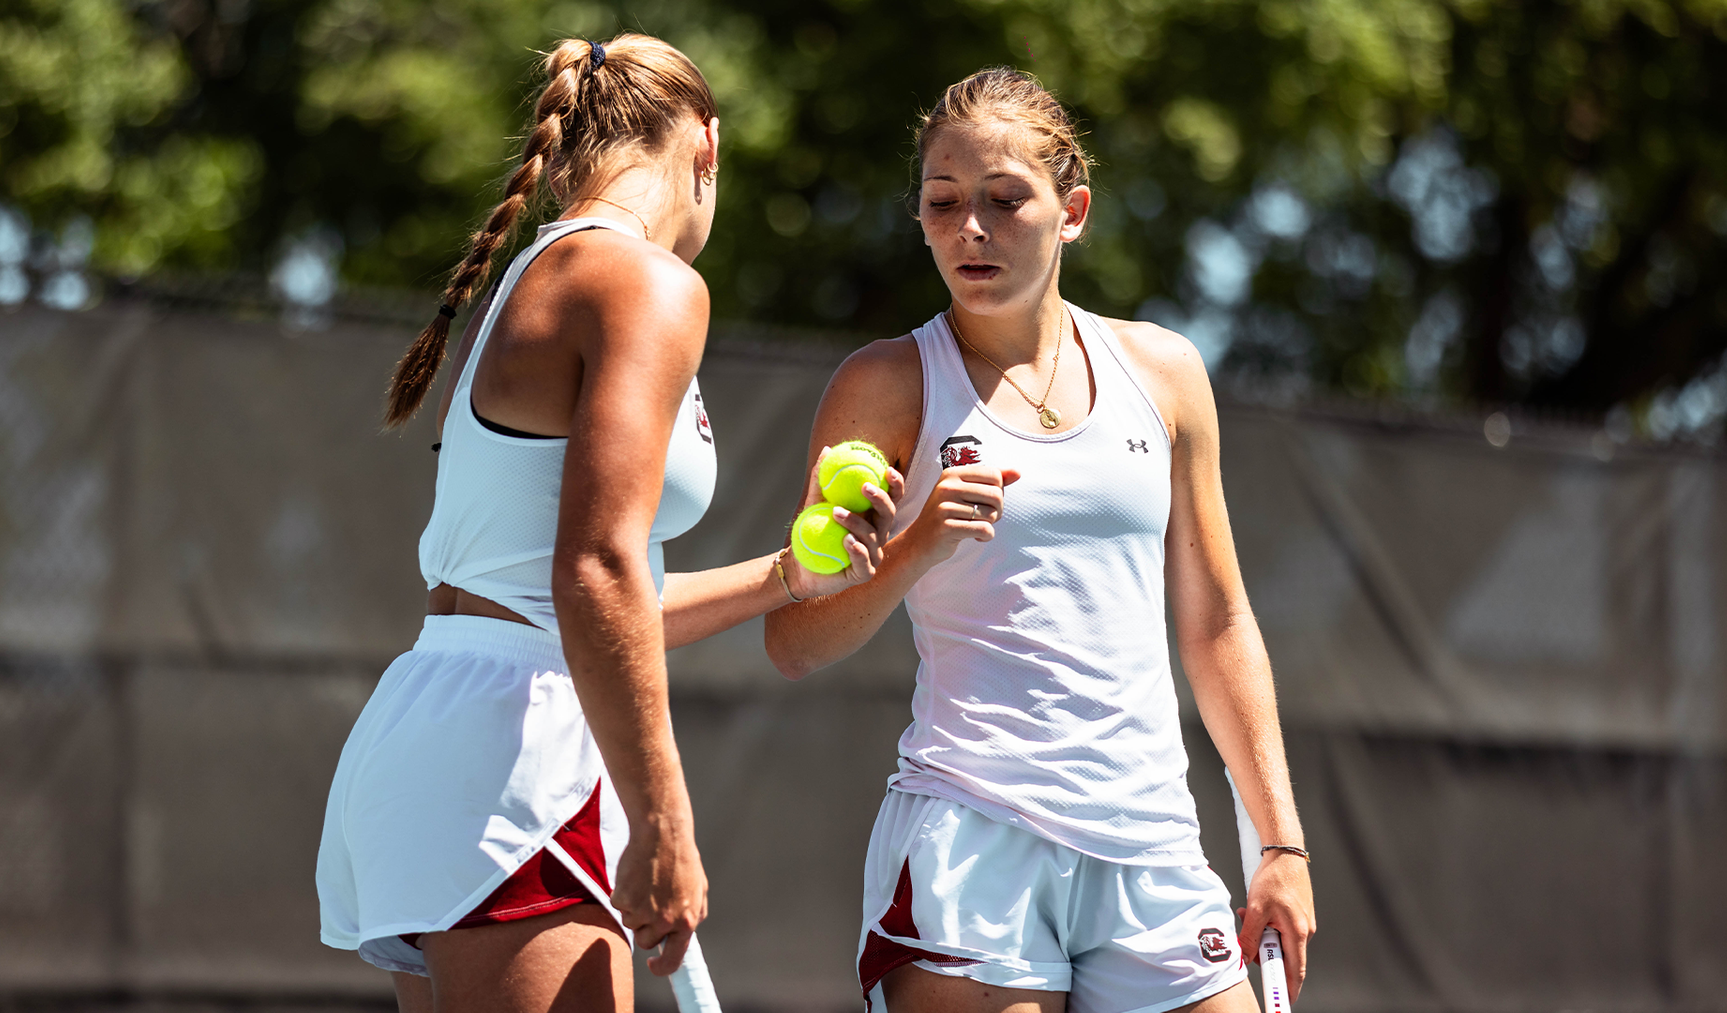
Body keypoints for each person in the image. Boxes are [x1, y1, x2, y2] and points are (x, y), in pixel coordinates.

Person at [316, 34, 899, 1013]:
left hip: (447, 734)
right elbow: (594, 573)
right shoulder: (647, 281)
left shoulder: (545, 270)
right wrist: (662, 818)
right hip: (515, 754)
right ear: (707, 146)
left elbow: (590, 601)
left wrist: (790, 579)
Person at [764, 68, 1315, 1013]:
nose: (969, 229)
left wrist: (1280, 844)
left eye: (1004, 199)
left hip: (1153, 847)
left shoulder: (1168, 372)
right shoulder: (887, 384)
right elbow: (793, 638)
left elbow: (1218, 622)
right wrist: (915, 547)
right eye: (942, 204)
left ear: (1074, 211)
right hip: (971, 839)